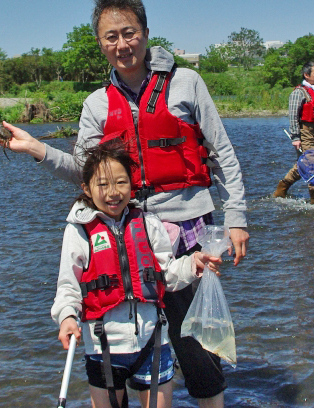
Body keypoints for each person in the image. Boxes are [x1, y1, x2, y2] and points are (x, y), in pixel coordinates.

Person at [0, 0, 248, 407]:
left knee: (196, 343)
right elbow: (84, 172)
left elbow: (223, 154)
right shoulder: (95, 104)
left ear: (145, 33)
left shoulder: (186, 83)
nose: (122, 45)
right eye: (111, 37)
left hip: (188, 229)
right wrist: (36, 148)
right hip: (128, 229)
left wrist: (236, 215)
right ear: (100, 43)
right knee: (127, 337)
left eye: (129, 33)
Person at [53, 140, 221, 408]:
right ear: (86, 188)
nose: (113, 192)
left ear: (131, 185)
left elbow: (166, 274)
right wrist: (67, 317)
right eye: (103, 184)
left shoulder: (148, 223)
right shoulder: (79, 231)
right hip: (103, 348)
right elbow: (68, 285)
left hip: (152, 343)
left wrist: (193, 263)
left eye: (121, 183)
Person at [273, 62, 314, 203]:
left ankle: (281, 189)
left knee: (306, 164)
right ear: (306, 75)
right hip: (304, 133)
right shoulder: (299, 92)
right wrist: (296, 137)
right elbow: (293, 116)